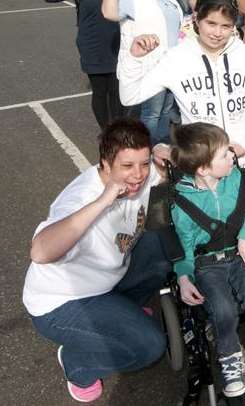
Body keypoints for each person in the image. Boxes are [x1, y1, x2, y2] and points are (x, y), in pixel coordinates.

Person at [23, 119, 171, 403]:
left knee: (162, 243)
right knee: (150, 346)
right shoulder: (80, 199)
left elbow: (177, 164)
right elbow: (40, 252)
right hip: (63, 303)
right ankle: (77, 362)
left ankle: (125, 312)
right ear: (104, 163)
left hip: (108, 278)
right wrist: (103, 201)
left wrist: (165, 152)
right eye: (127, 166)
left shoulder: (146, 172)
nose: (138, 175)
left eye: (143, 162)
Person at [169, 123, 245, 400]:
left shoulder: (238, 179)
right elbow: (184, 245)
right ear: (203, 169)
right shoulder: (182, 200)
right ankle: (230, 360)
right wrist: (183, 277)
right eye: (224, 154)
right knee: (222, 309)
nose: (232, 155)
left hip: (238, 252)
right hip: (206, 263)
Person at [117, 0, 245, 170]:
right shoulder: (177, 57)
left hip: (240, 161)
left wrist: (243, 145)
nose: (217, 33)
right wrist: (134, 58)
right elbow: (129, 96)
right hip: (198, 164)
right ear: (196, 19)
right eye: (211, 23)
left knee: (241, 199)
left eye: (226, 26)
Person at [41, 0, 125, 130]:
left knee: (117, 92)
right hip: (91, 46)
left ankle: (117, 130)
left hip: (116, 44)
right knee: (99, 92)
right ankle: (106, 132)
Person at [102, 0, 183, 145]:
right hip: (150, 66)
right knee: (152, 114)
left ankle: (162, 149)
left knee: (166, 111)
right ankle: (149, 151)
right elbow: (109, 13)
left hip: (171, 65)